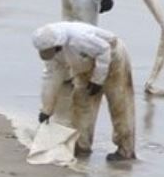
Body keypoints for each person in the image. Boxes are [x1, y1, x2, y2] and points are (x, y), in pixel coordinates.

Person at [34, 21, 137, 163]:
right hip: (86, 65)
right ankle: (82, 146)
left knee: (119, 103)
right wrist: (46, 109)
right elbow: (51, 77)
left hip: (113, 58)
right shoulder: (53, 54)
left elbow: (104, 50)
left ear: (57, 45)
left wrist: (97, 80)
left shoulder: (78, 38)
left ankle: (126, 150)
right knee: (82, 105)